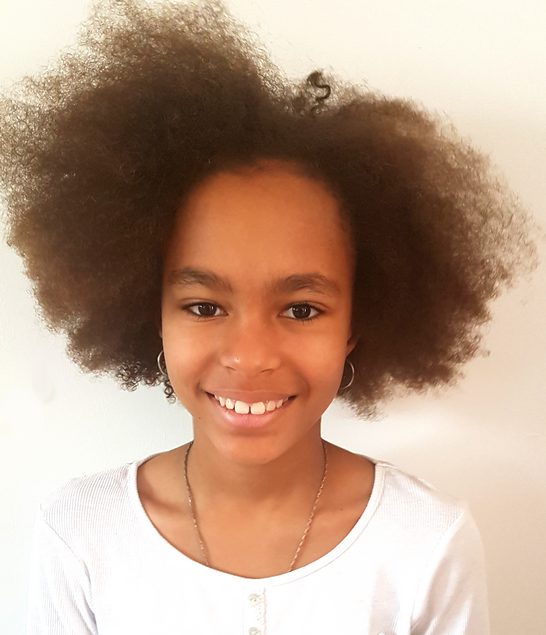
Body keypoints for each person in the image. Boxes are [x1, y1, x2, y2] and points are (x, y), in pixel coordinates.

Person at [0, 1, 535, 633]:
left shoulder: (427, 541)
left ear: (358, 321)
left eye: (301, 309)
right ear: (151, 313)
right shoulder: (80, 534)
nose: (250, 355)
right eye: (204, 306)